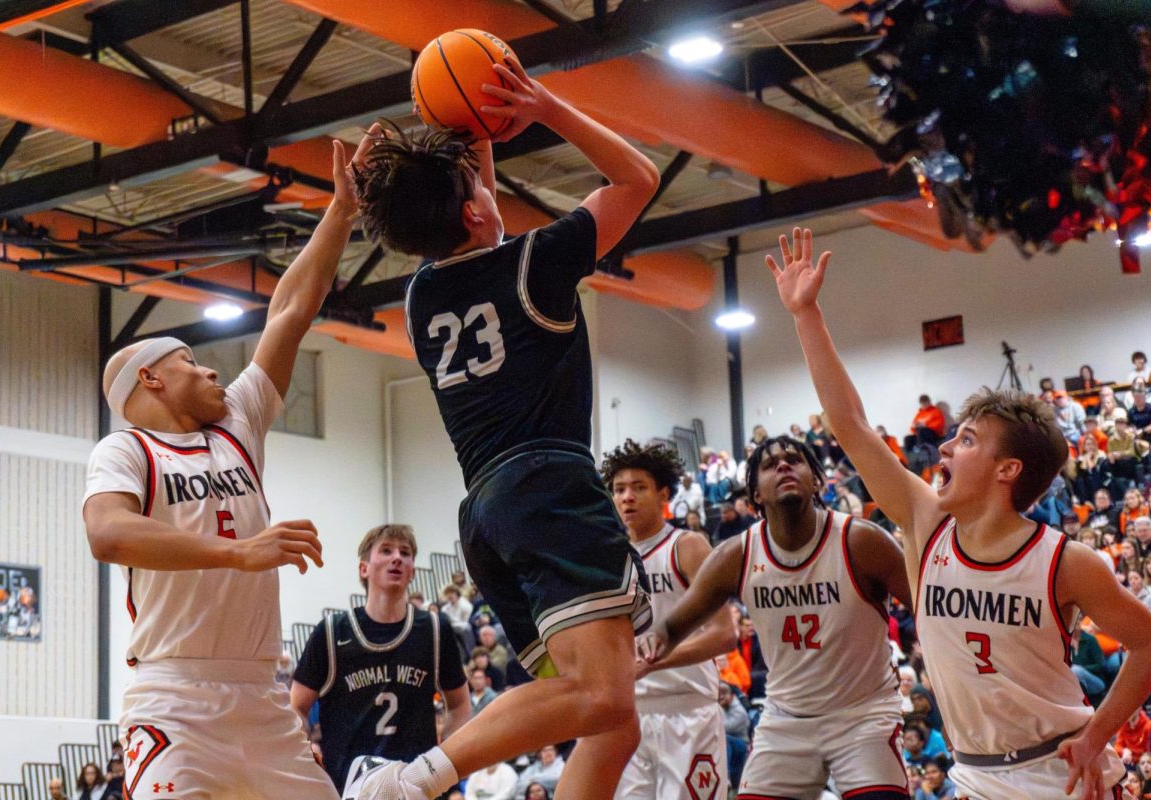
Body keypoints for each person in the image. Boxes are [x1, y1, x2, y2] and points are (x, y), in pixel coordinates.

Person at [348, 54, 659, 800]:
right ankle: (412, 779)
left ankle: (420, 776)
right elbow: (638, 179)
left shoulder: (422, 298)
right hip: (550, 491)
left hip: (487, 517)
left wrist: (471, 132)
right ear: (474, 210)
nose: (488, 195)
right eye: (478, 190)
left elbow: (470, 214)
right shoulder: (534, 265)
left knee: (611, 725)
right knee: (604, 701)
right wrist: (543, 105)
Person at [764, 226, 1151, 800]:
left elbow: (1150, 642)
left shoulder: (1067, 562)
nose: (946, 447)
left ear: (1008, 471)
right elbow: (850, 425)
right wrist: (805, 315)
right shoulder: (925, 523)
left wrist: (1099, 733)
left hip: (1062, 772)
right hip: (974, 775)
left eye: (968, 439)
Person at [82, 133, 377, 800]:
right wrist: (237, 553)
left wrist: (340, 213)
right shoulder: (126, 450)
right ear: (151, 380)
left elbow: (291, 311)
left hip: (260, 700)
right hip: (174, 696)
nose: (213, 367)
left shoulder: (238, 422)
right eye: (190, 360)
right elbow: (107, 535)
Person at [643, 435, 914, 800]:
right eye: (770, 465)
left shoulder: (860, 541)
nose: (784, 466)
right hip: (785, 719)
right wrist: (644, 650)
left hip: (863, 715)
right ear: (755, 493)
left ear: (817, 479)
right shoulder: (736, 554)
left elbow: (931, 611)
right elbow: (671, 626)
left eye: (794, 460)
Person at [600, 440, 736, 800]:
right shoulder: (608, 560)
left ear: (663, 493)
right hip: (628, 718)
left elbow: (725, 634)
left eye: (638, 487)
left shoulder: (686, 546)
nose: (627, 497)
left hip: (687, 710)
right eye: (619, 489)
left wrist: (651, 663)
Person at [290, 524, 471, 792]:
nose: (397, 557)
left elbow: (459, 705)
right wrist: (307, 757)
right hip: (348, 788)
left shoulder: (434, 629)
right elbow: (296, 707)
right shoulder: (330, 632)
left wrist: (444, 763)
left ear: (411, 571)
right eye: (386, 550)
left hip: (417, 788)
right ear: (364, 568)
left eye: (405, 553)